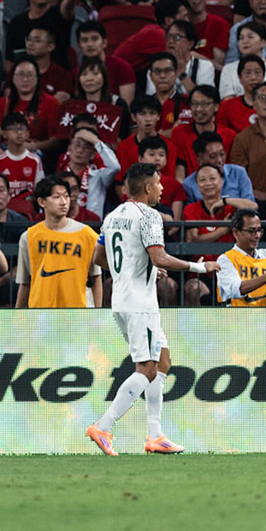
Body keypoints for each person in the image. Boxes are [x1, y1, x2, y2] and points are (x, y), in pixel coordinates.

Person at [87, 163, 214, 456]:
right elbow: (160, 257)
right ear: (146, 188)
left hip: (121, 298)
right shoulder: (150, 216)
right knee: (146, 369)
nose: (161, 188)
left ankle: (155, 436)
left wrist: (137, 268)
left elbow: (100, 257)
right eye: (158, 184)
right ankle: (103, 426)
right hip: (139, 304)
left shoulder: (112, 216)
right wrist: (199, 266)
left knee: (163, 361)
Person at [15, 176, 104, 308]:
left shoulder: (87, 235)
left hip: (79, 314)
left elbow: (96, 278)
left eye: (66, 196)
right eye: (56, 197)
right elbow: (25, 283)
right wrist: (18, 318)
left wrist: (97, 315)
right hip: (41, 314)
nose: (63, 202)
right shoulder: (29, 237)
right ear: (41, 202)